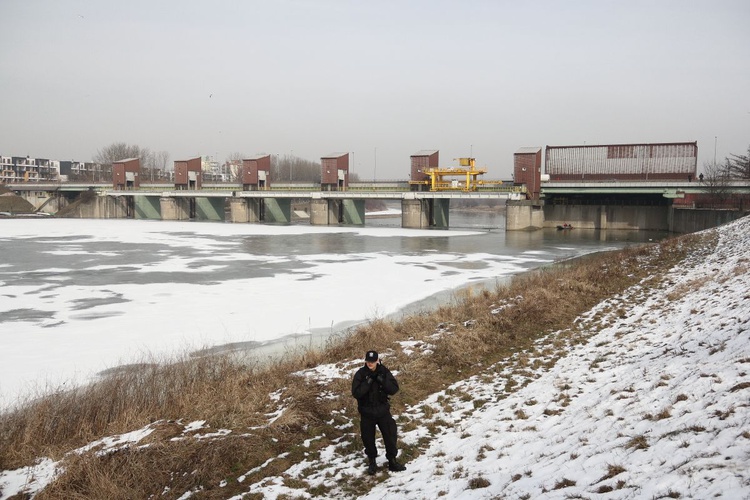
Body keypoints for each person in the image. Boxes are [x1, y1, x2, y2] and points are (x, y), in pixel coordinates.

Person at [351, 350, 406, 475]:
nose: (370, 364)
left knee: (390, 435)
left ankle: (392, 461)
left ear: (377, 360)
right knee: (368, 439)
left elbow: (394, 389)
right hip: (367, 412)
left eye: (372, 361)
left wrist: (382, 380)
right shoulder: (360, 374)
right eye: (368, 361)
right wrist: (368, 382)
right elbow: (356, 393)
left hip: (382, 411)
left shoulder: (384, 371)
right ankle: (372, 462)